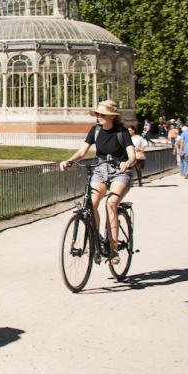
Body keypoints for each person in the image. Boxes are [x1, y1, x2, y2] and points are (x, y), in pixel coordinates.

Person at [60, 100, 136, 265]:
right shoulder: (95, 131)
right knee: (91, 204)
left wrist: (128, 162)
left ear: (112, 117)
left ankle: (114, 249)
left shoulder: (122, 132)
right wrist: (69, 161)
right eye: (98, 114)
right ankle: (96, 240)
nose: (99, 117)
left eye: (102, 114)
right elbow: (82, 151)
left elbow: (132, 155)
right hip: (101, 170)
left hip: (120, 172)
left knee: (111, 203)